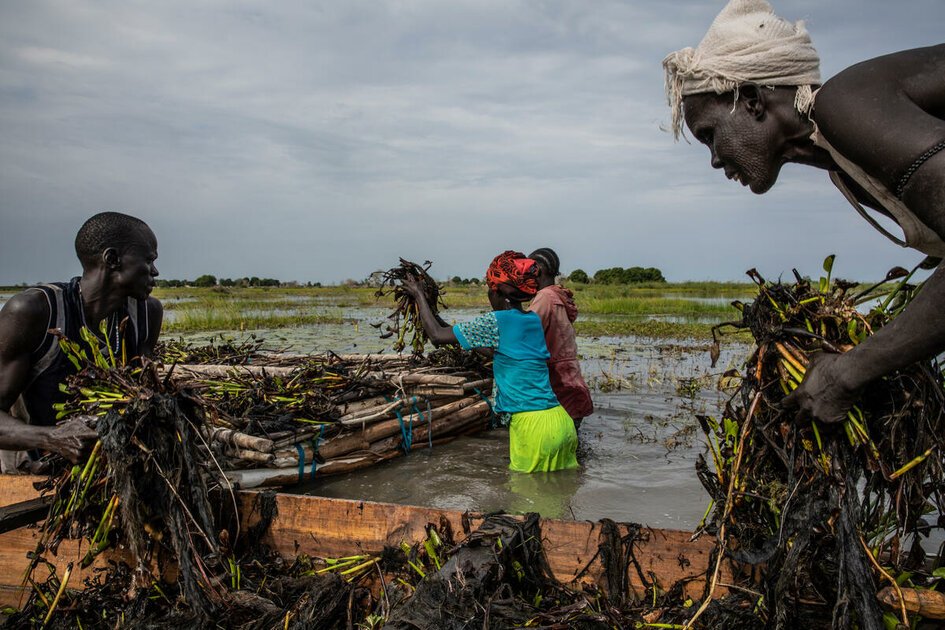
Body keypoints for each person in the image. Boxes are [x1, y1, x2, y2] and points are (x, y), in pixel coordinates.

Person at [662, 0, 945, 425]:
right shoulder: (848, 172)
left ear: (754, 101)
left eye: (710, 135)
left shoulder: (845, 107)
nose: (715, 160)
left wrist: (848, 372)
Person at [0, 212, 163, 473]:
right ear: (112, 260)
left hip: (106, 466)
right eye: (149, 260)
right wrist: (53, 438)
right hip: (32, 468)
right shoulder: (33, 311)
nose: (155, 271)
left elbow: (144, 395)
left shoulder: (147, 314)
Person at [401, 251, 578, 473]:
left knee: (527, 500)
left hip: (533, 428)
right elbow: (499, 354)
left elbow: (436, 335)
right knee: (560, 499)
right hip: (561, 421)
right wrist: (460, 335)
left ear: (498, 291)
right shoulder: (531, 320)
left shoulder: (497, 320)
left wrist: (418, 295)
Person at [526, 248, 593, 429]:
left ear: (537, 270)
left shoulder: (544, 298)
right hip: (572, 384)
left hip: (560, 388)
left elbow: (523, 333)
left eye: (528, 269)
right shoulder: (557, 295)